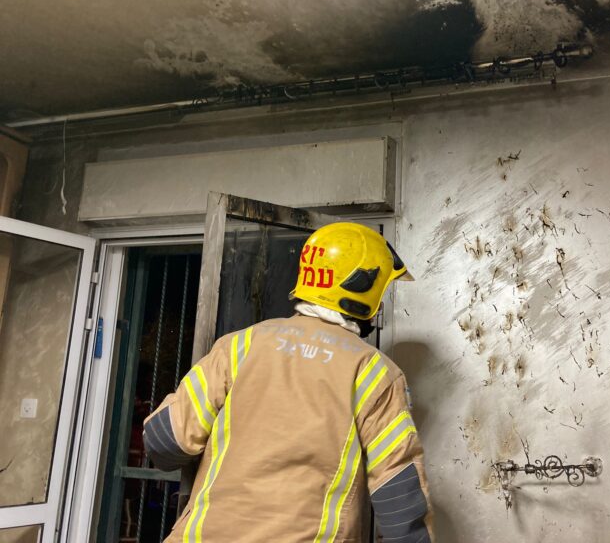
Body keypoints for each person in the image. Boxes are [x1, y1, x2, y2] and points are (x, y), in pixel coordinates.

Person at [143, 222, 433, 542]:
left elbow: (166, 441)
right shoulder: (374, 372)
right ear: (363, 288)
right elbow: (399, 495)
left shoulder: (240, 346)